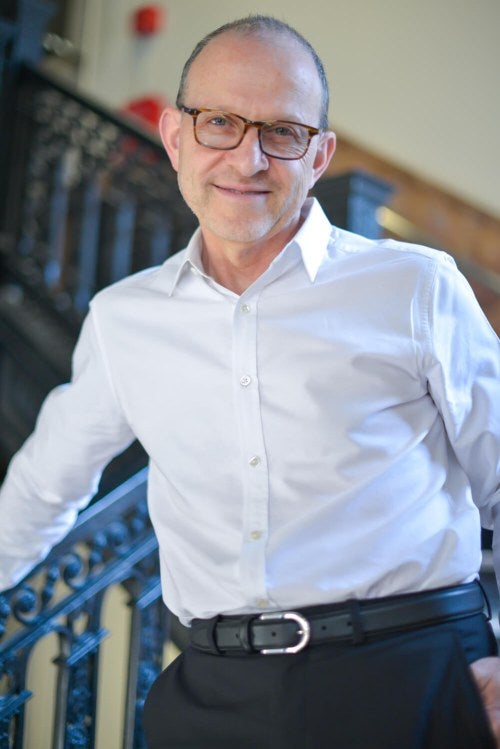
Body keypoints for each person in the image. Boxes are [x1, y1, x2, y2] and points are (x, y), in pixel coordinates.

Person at [1, 13, 500, 748]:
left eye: (283, 132)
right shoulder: (124, 319)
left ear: (320, 154)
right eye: (220, 123)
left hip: (417, 673)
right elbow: (45, 489)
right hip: (211, 693)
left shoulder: (417, 286)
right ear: (174, 137)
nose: (249, 158)